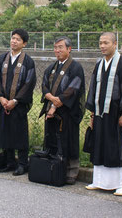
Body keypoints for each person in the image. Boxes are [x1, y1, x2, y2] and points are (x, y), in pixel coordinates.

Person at [85, 32, 122, 195]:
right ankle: (98, 181)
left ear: (115, 44)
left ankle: (120, 184)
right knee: (100, 144)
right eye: (100, 43)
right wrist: (92, 112)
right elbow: (93, 87)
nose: (102, 46)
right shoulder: (99, 63)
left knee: (117, 146)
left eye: (106, 43)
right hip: (100, 113)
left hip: (116, 114)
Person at [40, 36, 85, 184]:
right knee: (52, 140)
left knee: (69, 141)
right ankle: (54, 169)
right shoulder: (52, 67)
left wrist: (55, 103)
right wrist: (51, 99)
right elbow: (44, 85)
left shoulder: (75, 67)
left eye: (60, 47)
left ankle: (71, 172)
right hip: (53, 111)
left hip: (68, 111)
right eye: (55, 48)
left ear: (69, 49)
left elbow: (73, 89)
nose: (57, 50)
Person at [0, 29, 36, 176]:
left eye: (18, 39)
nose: (14, 41)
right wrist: (1, 98)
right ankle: (10, 162)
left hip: (18, 105)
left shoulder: (28, 62)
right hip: (4, 104)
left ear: (24, 43)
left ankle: (23, 164)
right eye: (12, 38)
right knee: (5, 133)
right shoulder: (2, 58)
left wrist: (15, 100)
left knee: (20, 134)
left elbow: (29, 83)